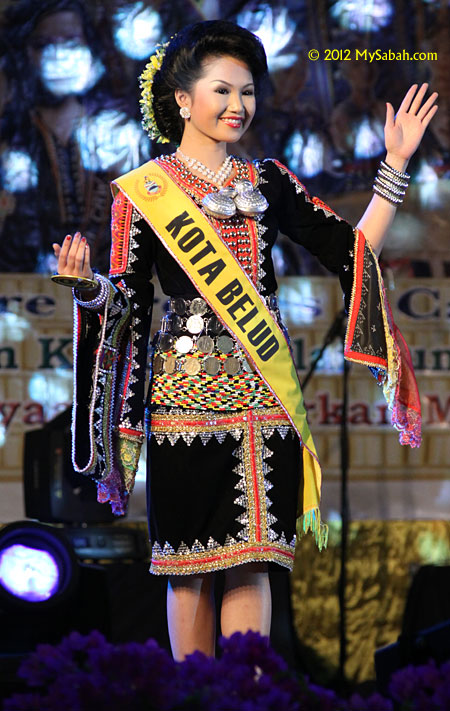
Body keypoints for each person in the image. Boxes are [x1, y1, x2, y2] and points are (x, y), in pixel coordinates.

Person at [52, 21, 437, 660]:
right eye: (222, 90)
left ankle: (245, 699)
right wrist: (88, 289)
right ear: (182, 99)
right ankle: (192, 699)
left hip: (265, 404)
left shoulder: (269, 182)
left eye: (248, 92)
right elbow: (127, 304)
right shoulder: (142, 197)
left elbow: (352, 251)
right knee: (190, 570)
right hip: (183, 405)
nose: (238, 106)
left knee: (251, 565)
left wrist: (394, 164)